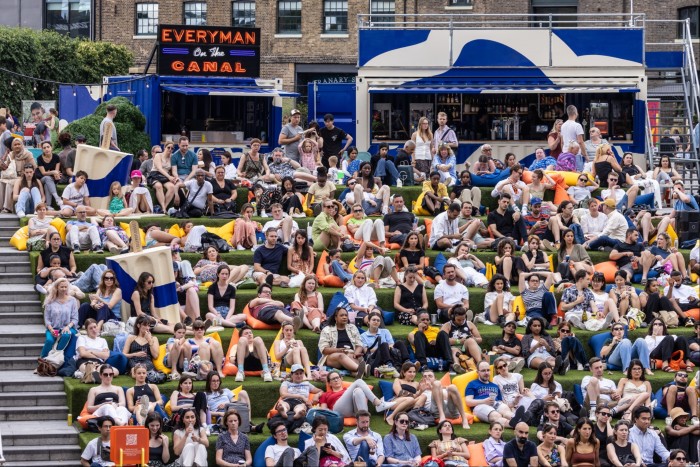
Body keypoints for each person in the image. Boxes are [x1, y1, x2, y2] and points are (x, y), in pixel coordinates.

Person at [466, 361, 523, 428]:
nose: (486, 373)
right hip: (480, 405)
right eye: (483, 371)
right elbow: (468, 402)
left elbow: (501, 402)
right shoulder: (472, 384)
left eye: (488, 370)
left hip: (495, 403)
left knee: (505, 410)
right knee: (496, 415)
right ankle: (515, 424)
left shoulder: (494, 385)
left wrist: (514, 402)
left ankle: (518, 420)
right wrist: (484, 401)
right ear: (478, 372)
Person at [320, 369, 394, 418]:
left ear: (341, 379)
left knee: (358, 390)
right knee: (358, 381)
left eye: (337, 377)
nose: (336, 380)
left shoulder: (348, 390)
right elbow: (323, 410)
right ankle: (378, 403)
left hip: (353, 411)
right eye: (333, 379)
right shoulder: (326, 394)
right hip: (338, 410)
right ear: (329, 383)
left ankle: (364, 417)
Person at [318, 307, 367, 377]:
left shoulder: (352, 328)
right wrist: (338, 350)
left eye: (346, 315)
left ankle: (357, 374)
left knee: (351, 356)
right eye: (341, 315)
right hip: (333, 356)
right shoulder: (327, 330)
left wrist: (356, 353)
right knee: (342, 355)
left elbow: (359, 344)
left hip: (350, 353)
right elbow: (324, 349)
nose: (344, 317)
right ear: (335, 317)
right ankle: (362, 369)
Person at [41, 277, 78, 358]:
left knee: (66, 335)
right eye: (62, 287)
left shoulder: (72, 300)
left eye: (65, 287)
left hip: (68, 327)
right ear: (57, 287)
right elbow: (47, 319)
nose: (64, 289)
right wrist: (51, 329)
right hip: (53, 327)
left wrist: (68, 327)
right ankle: (42, 360)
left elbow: (75, 319)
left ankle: (55, 356)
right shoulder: (49, 301)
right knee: (49, 340)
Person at [407, 309, 454, 374]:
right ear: (417, 321)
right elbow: (416, 344)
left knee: (443, 333)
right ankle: (424, 366)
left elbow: (446, 340)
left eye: (427, 320)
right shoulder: (412, 333)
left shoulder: (436, 329)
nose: (425, 322)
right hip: (424, 351)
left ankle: (450, 364)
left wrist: (436, 341)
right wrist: (420, 330)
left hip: (437, 350)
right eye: (423, 320)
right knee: (418, 334)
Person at [442, 305, 484, 372]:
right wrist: (459, 341)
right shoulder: (447, 325)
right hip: (455, 349)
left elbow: (480, 339)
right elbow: (443, 340)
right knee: (454, 349)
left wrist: (474, 339)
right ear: (453, 317)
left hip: (468, 347)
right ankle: (457, 366)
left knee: (470, 340)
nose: (461, 322)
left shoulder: (469, 324)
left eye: (463, 319)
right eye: (459, 320)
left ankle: (480, 363)